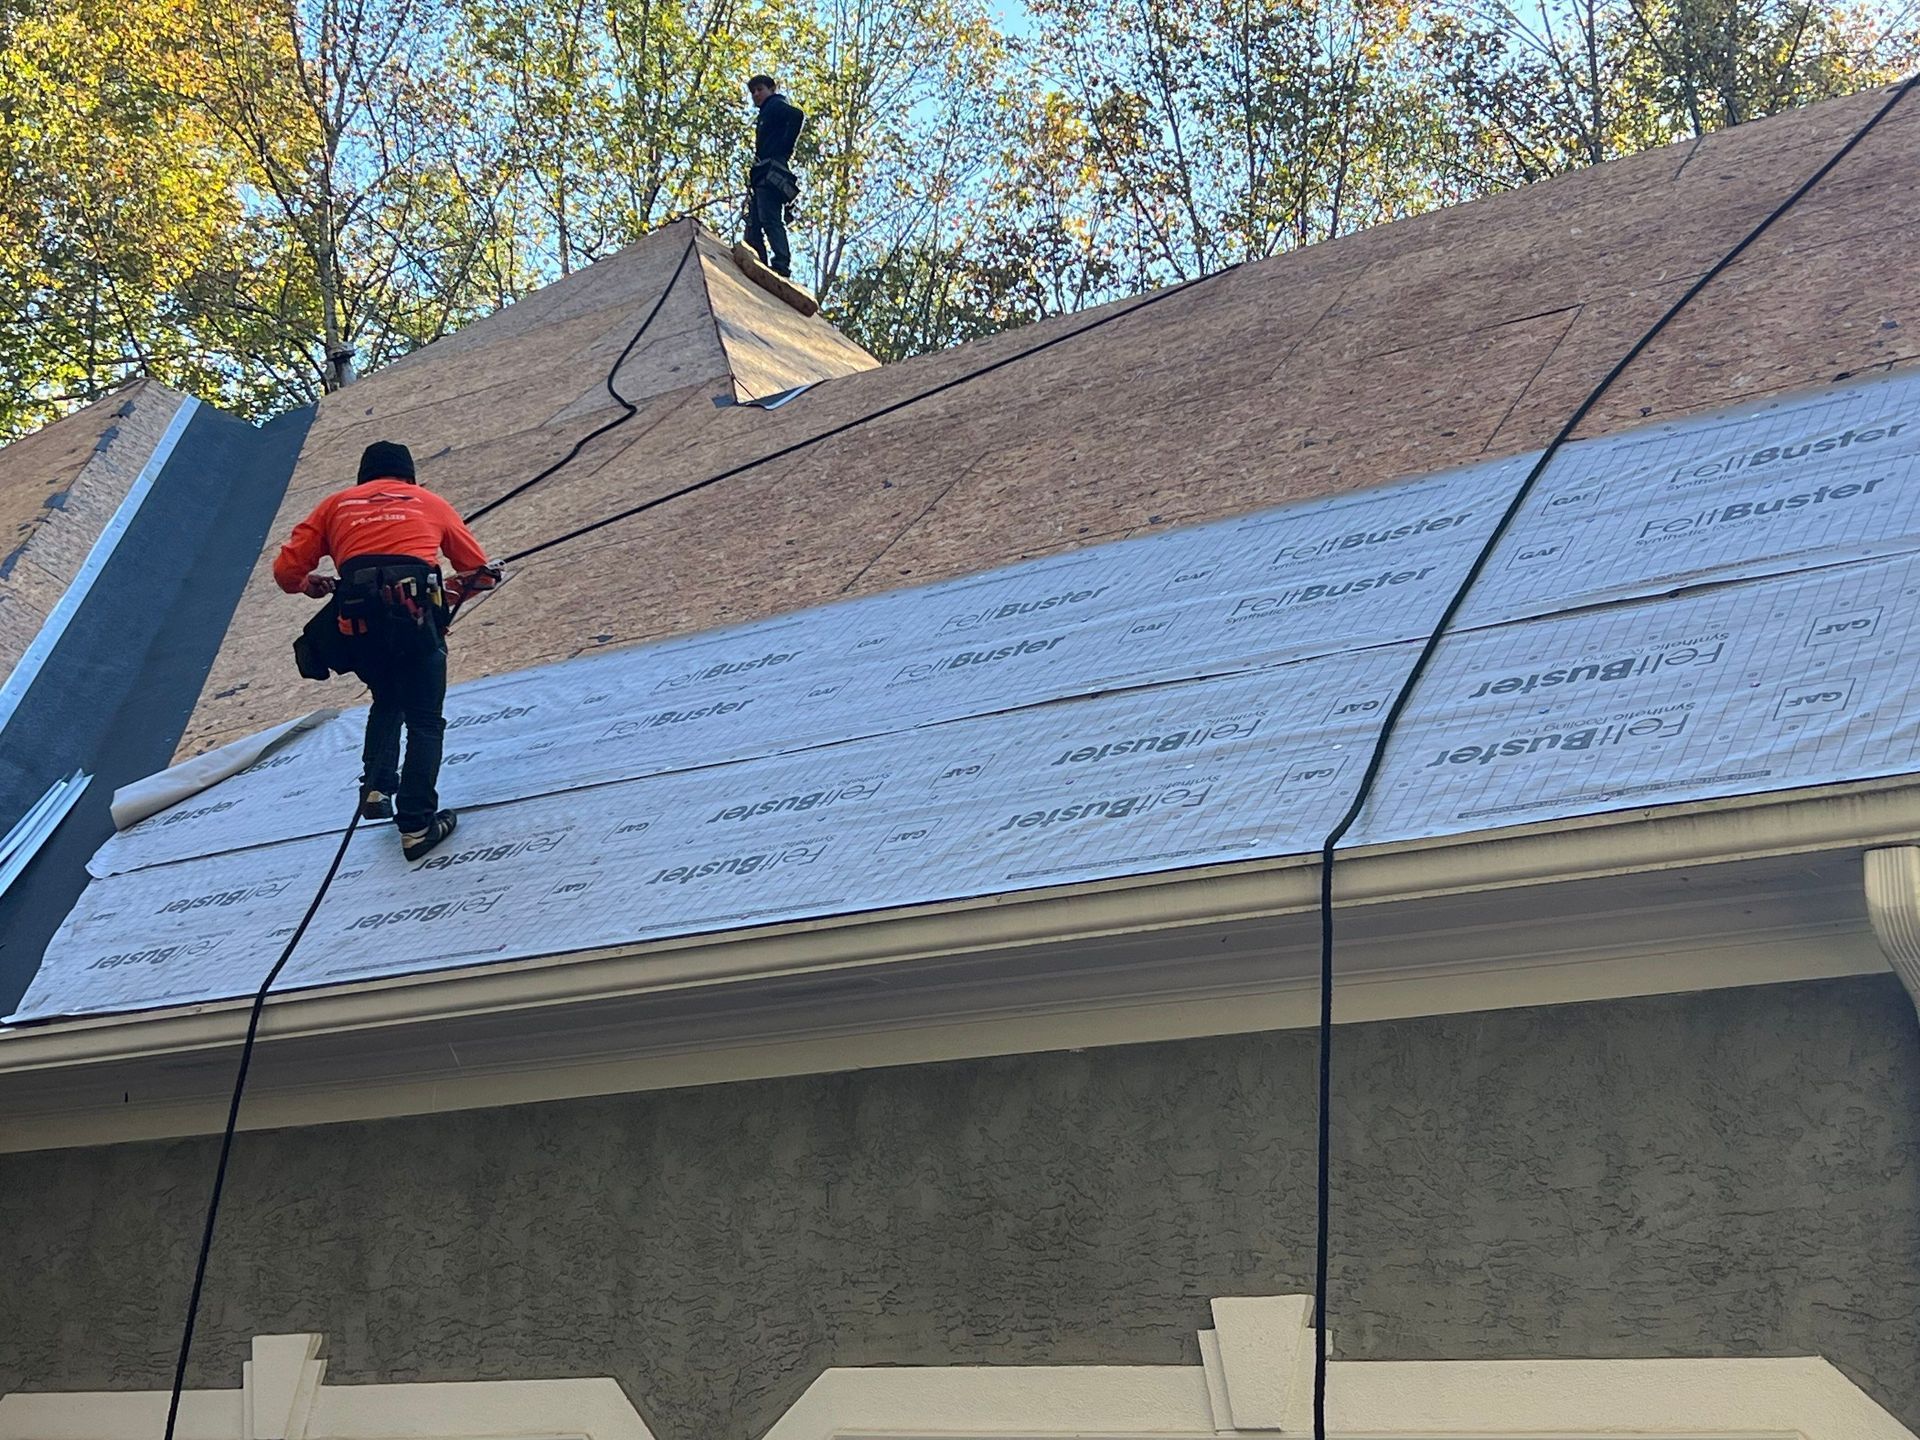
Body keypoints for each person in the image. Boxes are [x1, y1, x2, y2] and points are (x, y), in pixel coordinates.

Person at [274, 440, 497, 862]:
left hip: (358, 628)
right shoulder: (430, 502)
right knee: (425, 720)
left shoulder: (334, 506)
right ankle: (416, 825)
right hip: (416, 627)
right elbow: (478, 575)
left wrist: (309, 584)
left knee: (387, 698)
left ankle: (376, 789)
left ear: (362, 478)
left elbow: (287, 572)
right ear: (410, 477)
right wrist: (440, 591)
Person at [744, 73, 804, 278]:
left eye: (760, 89)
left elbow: (797, 116)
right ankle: (759, 258)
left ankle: (780, 263)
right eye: (753, 92)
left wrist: (784, 149)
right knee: (754, 220)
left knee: (769, 218)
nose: (756, 94)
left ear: (772, 89)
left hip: (771, 169)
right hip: (763, 172)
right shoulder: (766, 112)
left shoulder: (775, 105)